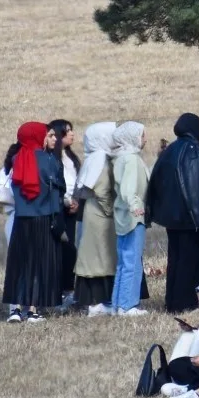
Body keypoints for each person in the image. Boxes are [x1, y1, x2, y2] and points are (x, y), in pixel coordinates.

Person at [146, 114, 199, 313]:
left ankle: (173, 300)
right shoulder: (194, 152)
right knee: (190, 260)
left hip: (172, 217)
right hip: (191, 218)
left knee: (175, 259)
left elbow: (156, 182)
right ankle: (185, 302)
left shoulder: (169, 151)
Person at [0, 122, 65, 322]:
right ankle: (33, 310)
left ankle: (16, 309)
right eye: (46, 135)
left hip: (21, 218)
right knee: (39, 264)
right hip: (43, 216)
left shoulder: (16, 158)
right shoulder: (48, 159)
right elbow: (58, 186)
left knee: (20, 262)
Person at [73, 122, 119, 315]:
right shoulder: (101, 159)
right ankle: (98, 301)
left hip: (94, 213)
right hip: (101, 216)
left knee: (94, 258)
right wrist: (111, 211)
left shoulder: (94, 158)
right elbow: (101, 190)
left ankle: (94, 300)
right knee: (101, 259)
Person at [110, 121, 150, 316]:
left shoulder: (121, 157)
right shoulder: (132, 159)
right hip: (133, 216)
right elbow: (128, 189)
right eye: (142, 135)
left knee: (123, 261)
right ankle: (127, 305)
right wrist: (136, 207)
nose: (145, 139)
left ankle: (118, 302)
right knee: (133, 261)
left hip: (122, 214)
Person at [48, 119, 81, 308]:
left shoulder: (71, 158)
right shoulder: (52, 158)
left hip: (72, 211)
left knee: (70, 250)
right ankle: (58, 291)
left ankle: (68, 289)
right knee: (62, 250)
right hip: (59, 209)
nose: (72, 134)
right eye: (67, 131)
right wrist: (67, 200)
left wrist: (77, 200)